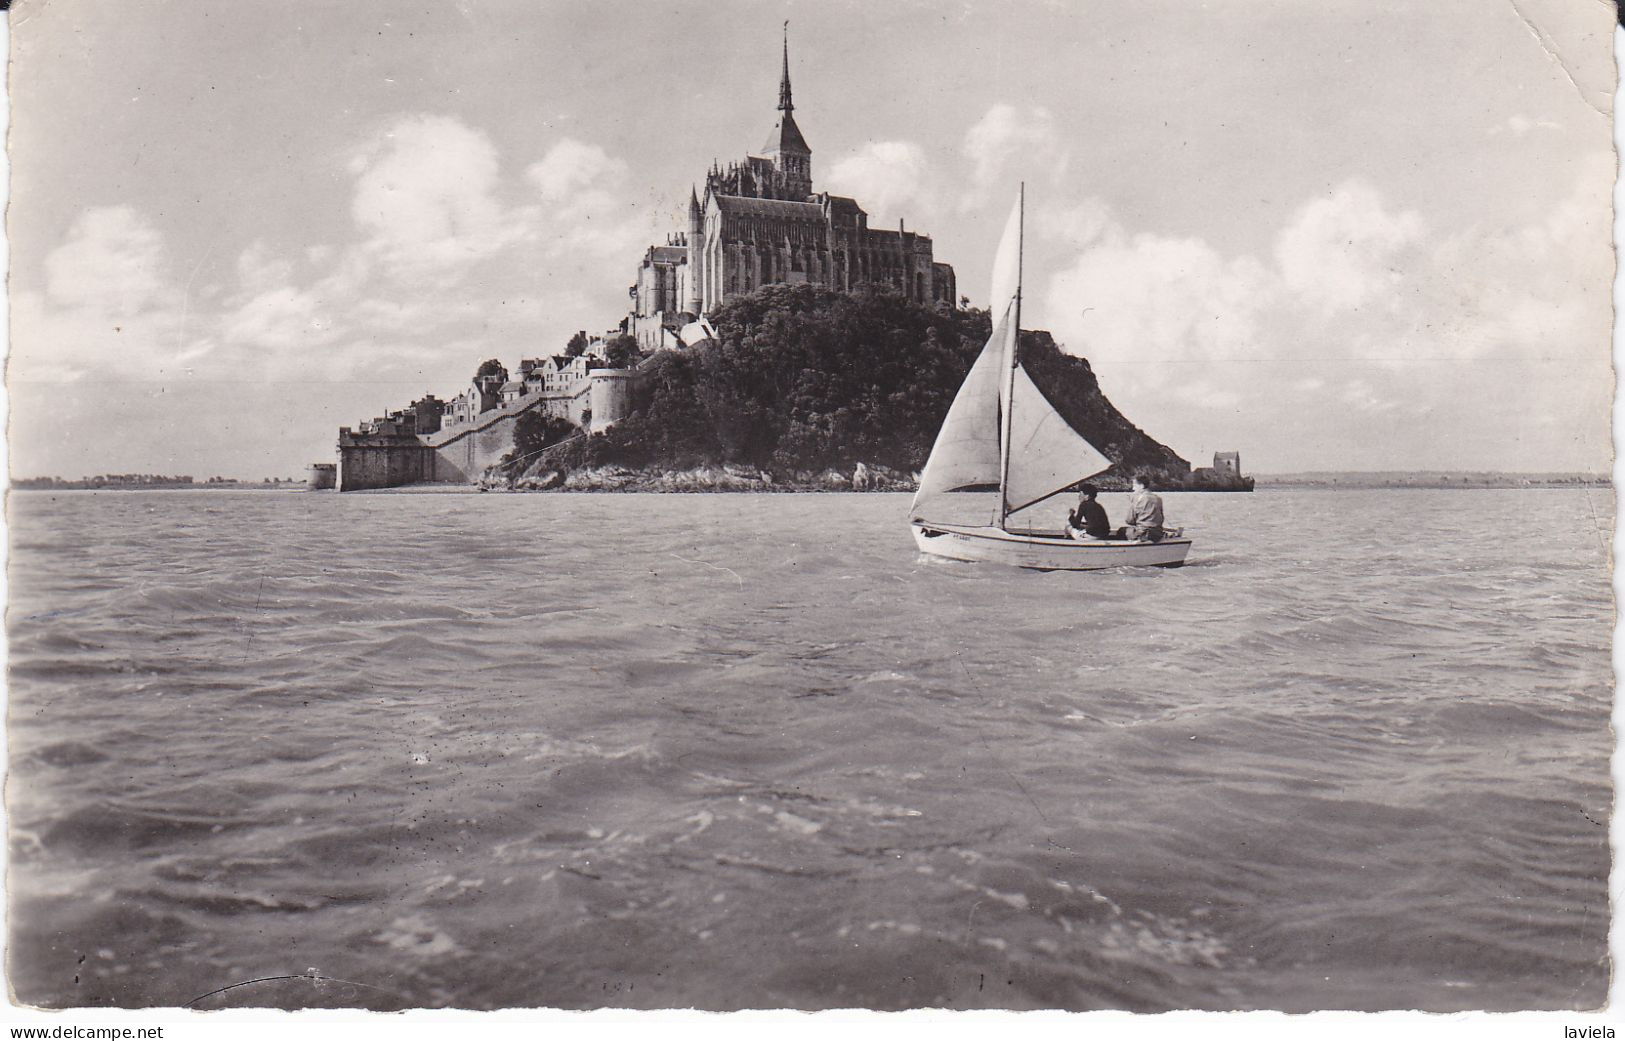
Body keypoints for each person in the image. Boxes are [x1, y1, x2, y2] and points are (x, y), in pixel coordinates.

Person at [1117, 473, 1166, 542]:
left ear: (1142, 486)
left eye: (1134, 485)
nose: (1133, 488)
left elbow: (1129, 520)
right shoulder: (1158, 498)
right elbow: (1161, 518)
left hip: (1143, 533)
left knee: (1121, 531)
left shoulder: (1138, 498)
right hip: (1157, 534)